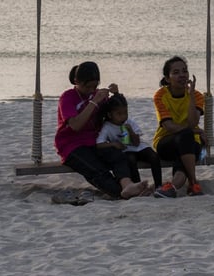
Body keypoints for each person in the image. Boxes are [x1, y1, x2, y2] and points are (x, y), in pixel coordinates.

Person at [54, 61, 150, 199]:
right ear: (76, 81)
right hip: (71, 144)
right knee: (98, 170)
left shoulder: (98, 94)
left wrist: (116, 94)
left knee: (119, 157)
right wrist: (93, 102)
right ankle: (123, 194)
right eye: (87, 87)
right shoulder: (68, 97)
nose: (91, 90)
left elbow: (115, 114)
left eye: (95, 86)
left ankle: (129, 185)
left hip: (95, 140)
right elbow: (75, 125)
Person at [152, 55, 207, 197]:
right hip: (166, 142)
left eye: (184, 71)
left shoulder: (197, 96)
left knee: (185, 146)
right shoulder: (160, 95)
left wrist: (191, 96)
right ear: (167, 78)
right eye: (176, 73)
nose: (182, 75)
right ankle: (194, 182)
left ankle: (173, 187)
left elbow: (192, 122)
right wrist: (195, 130)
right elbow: (169, 126)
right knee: (187, 137)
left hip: (189, 142)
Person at [97, 93, 162, 194]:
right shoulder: (107, 126)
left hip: (139, 147)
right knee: (130, 160)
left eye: (125, 112)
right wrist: (113, 144)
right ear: (110, 115)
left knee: (154, 156)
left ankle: (159, 185)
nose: (123, 116)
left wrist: (131, 131)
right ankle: (138, 186)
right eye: (119, 114)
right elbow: (99, 144)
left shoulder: (129, 122)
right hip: (126, 150)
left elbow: (137, 143)